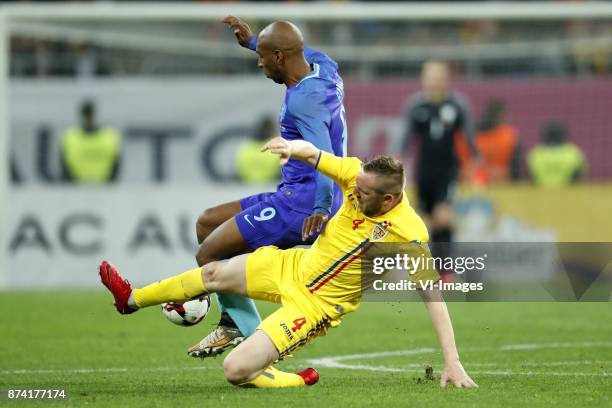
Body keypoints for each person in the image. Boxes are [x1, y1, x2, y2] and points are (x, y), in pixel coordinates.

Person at [99, 136, 477, 389]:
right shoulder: (354, 175)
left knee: (235, 371)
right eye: (355, 187)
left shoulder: (409, 233)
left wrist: (452, 361)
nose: (353, 194)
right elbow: (314, 154)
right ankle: (129, 300)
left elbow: (433, 297)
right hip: (293, 266)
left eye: (363, 194)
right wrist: (290, 147)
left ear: (390, 200)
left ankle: (295, 379)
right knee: (212, 271)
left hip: (315, 307)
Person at [189, 16, 348, 358]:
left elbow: (323, 156)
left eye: (262, 55)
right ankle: (236, 321)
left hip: (303, 205)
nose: (258, 62)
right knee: (206, 223)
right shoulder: (326, 67)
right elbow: (302, 47)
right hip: (290, 193)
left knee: (209, 256)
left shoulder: (304, 101)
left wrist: (321, 208)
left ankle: (238, 329)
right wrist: (251, 42)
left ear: (279, 57)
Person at [400, 61, 478, 255]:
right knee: (427, 223)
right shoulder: (415, 105)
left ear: (446, 79)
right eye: (431, 77)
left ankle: (445, 272)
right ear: (424, 79)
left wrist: (473, 165)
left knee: (444, 217)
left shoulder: (458, 105)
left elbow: (470, 140)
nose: (435, 81)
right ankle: (433, 271)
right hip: (424, 172)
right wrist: (398, 166)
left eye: (439, 77)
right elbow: (403, 140)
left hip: (448, 171)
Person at [456, 99, 520, 184]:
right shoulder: (510, 136)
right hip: (501, 186)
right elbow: (516, 173)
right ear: (501, 116)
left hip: (470, 185)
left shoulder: (462, 137)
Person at [60, 100, 121, 183]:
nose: (88, 119)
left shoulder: (109, 136)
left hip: (103, 188)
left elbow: (115, 165)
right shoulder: (70, 137)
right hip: (78, 188)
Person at [527, 120, 586, 188]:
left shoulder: (536, 153)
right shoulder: (573, 152)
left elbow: (532, 174)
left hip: (542, 192)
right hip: (568, 193)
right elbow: (579, 173)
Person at [235, 115, 281, 183]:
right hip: (271, 185)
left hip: (247, 185)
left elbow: (239, 171)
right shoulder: (278, 148)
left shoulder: (245, 148)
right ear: (271, 131)